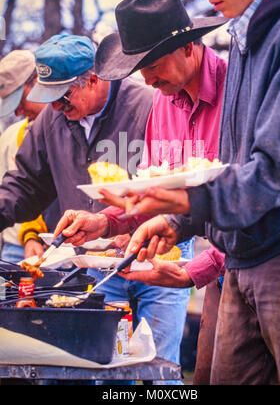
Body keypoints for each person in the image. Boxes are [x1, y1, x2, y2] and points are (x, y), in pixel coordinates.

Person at [97, 0, 280, 385]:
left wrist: (178, 203)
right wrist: (172, 223)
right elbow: (228, 174)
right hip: (240, 260)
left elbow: (269, 175)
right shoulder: (246, 37)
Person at [53, 0, 227, 384]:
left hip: (244, 262)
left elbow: (251, 193)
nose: (147, 80)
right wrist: (106, 223)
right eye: (139, 69)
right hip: (211, 270)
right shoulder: (162, 103)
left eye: (152, 64)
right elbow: (152, 192)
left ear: (188, 47)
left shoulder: (237, 92)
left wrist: (196, 270)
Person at [0, 33, 193, 386]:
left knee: (159, 371)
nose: (55, 108)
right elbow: (26, 184)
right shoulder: (50, 122)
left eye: (61, 97)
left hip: (161, 254)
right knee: (95, 371)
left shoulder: (151, 103)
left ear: (92, 78)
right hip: (93, 265)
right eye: (49, 99)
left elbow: (181, 183)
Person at [0, 50, 52, 263]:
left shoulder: (76, 128)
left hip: (67, 247)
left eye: (19, 101)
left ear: (38, 82)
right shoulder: (14, 135)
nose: (18, 112)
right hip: (18, 245)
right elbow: (24, 191)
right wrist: (31, 235)